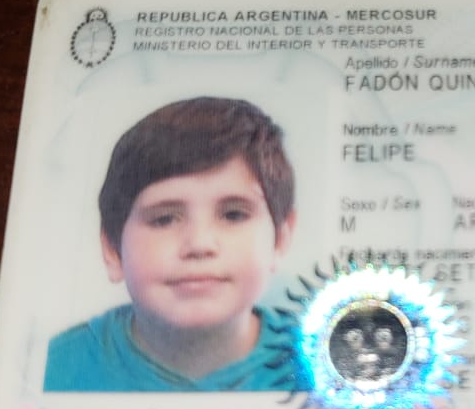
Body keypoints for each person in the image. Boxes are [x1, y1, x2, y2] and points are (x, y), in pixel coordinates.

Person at [44, 97, 312, 392]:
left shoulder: (318, 368)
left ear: (280, 239)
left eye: (233, 215)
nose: (199, 244)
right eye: (164, 219)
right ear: (112, 250)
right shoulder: (54, 369)